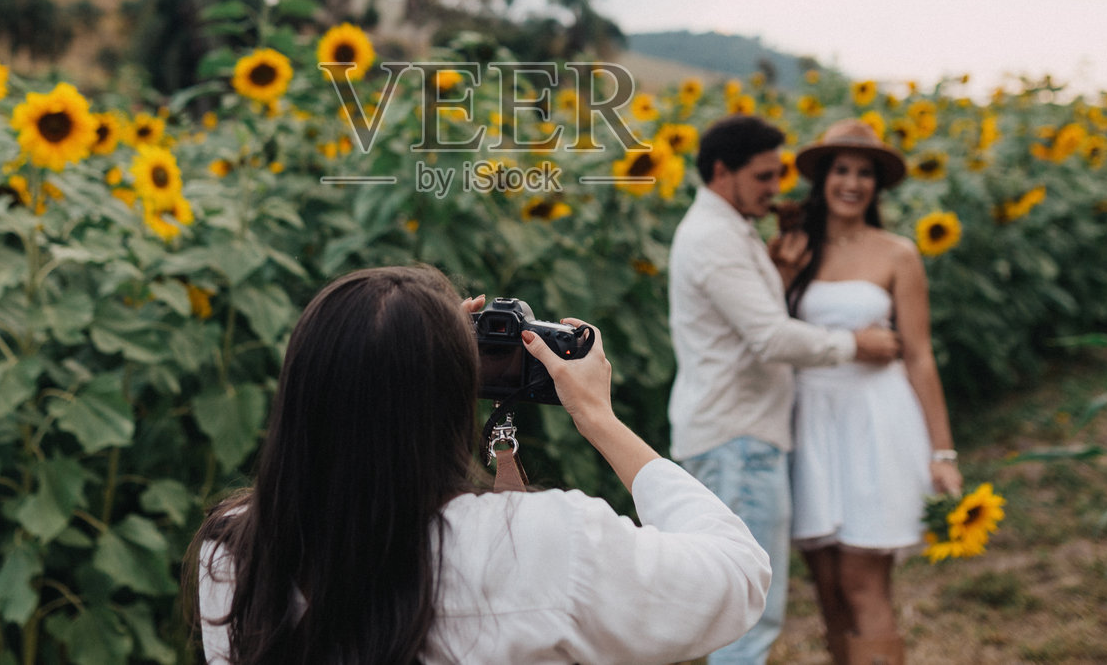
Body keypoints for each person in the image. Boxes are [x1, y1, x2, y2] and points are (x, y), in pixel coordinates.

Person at [184, 265, 773, 665]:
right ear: (452, 394)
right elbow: (739, 577)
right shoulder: (542, 542)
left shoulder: (233, 549)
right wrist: (600, 419)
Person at [666, 116, 902, 665]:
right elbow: (770, 337)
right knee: (749, 616)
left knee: (740, 610)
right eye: (765, 176)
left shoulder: (728, 228)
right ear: (723, 171)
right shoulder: (714, 237)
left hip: (735, 435)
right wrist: (855, 345)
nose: (777, 189)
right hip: (738, 441)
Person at [769, 119, 963, 665]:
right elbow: (773, 334)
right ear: (823, 179)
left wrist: (942, 452)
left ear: (877, 186)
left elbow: (920, 356)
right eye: (841, 170)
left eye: (864, 173)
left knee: (861, 579)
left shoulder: (898, 254)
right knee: (827, 585)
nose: (852, 183)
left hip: (877, 419)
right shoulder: (794, 250)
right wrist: (782, 274)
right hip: (810, 421)